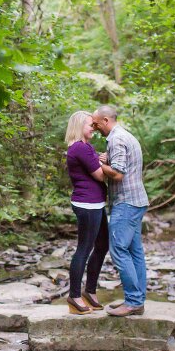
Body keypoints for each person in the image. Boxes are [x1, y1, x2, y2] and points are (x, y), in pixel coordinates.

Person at [91, 105, 150, 317]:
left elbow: (117, 174)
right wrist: (105, 159)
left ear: (106, 120)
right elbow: (121, 164)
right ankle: (137, 300)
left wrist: (94, 162)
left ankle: (133, 301)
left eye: (97, 124)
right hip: (137, 200)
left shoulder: (116, 139)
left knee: (118, 250)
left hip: (126, 203)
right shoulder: (125, 135)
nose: (95, 128)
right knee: (135, 252)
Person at [64, 111, 109, 315]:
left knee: (102, 246)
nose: (94, 128)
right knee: (84, 249)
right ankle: (74, 296)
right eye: (90, 125)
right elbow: (100, 175)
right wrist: (108, 165)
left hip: (96, 204)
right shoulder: (79, 148)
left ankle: (89, 291)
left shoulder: (86, 146)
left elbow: (96, 165)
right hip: (87, 204)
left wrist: (101, 160)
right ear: (80, 125)